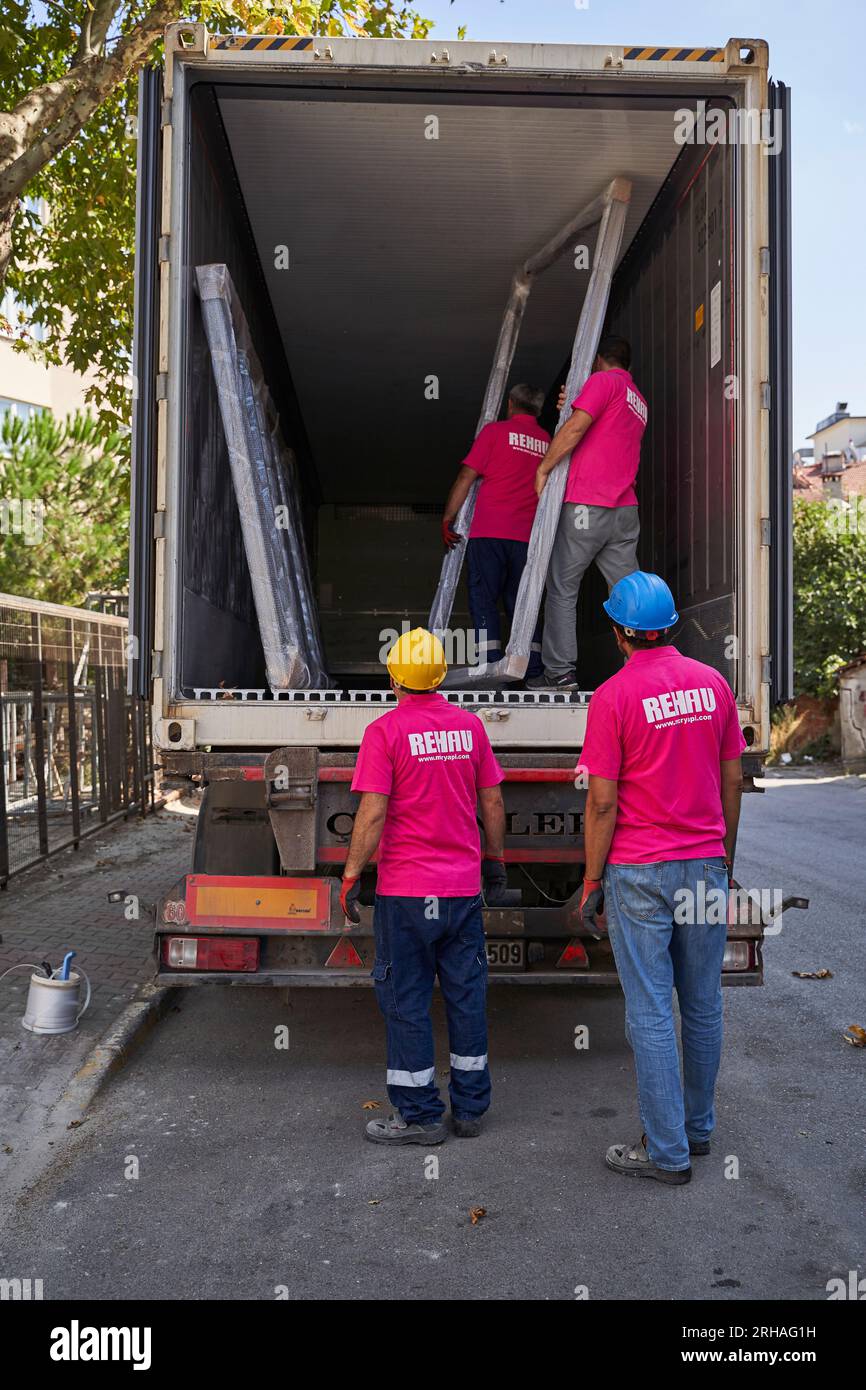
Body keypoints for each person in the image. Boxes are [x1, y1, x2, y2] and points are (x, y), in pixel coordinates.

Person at [577, 571, 746, 1185]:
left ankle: (666, 1151)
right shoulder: (714, 686)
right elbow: (731, 782)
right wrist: (722, 858)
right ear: (670, 625)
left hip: (639, 870)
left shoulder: (613, 697)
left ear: (621, 631)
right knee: (702, 1005)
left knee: (649, 1011)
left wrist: (592, 881)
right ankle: (697, 1132)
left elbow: (601, 803)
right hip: (703, 864)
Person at [340, 628, 507, 1145]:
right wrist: (495, 862)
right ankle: (471, 1111)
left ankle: (418, 1116)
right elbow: (493, 803)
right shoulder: (470, 729)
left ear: (394, 677)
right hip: (461, 892)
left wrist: (350, 876)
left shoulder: (384, 733)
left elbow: (371, 815)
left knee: (407, 1000)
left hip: (407, 895)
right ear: (440, 676)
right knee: (466, 995)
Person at [529, 335, 647, 690]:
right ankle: (642, 668)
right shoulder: (638, 399)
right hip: (625, 510)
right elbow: (601, 425)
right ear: (629, 365)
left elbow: (577, 428)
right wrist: (575, 402)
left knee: (564, 588)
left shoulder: (602, 382)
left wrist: (544, 468)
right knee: (628, 593)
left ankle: (560, 673)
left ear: (597, 360)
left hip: (587, 503)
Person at [442, 384, 549, 678]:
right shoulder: (548, 441)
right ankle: (533, 669)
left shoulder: (494, 433)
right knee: (524, 602)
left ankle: (490, 664)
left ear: (511, 404)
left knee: (484, 597)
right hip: (528, 538)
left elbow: (467, 476)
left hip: (489, 533)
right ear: (538, 410)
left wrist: (448, 518)